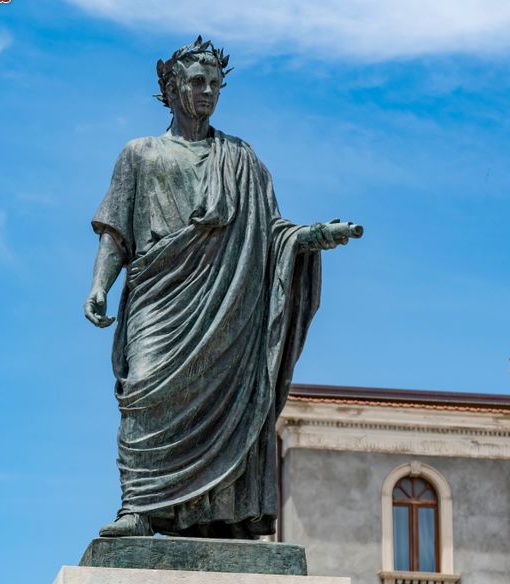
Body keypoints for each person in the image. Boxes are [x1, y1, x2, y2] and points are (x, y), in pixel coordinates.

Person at [84, 37, 358, 539]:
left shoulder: (242, 160)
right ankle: (138, 507)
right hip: (160, 295)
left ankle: (221, 517)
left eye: (214, 84)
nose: (207, 91)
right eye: (195, 82)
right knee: (144, 388)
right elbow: (116, 229)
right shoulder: (139, 154)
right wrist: (100, 286)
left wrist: (313, 236)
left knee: (228, 403)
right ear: (170, 88)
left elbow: (272, 231)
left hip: (228, 303)